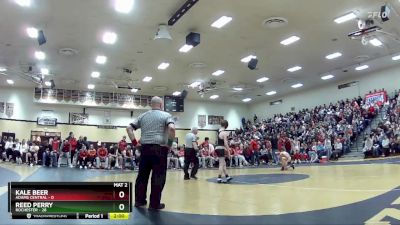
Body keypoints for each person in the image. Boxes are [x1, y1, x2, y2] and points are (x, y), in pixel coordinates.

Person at [126, 96, 175, 210]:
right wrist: (169, 144)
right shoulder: (166, 115)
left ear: (151, 105)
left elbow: (129, 128)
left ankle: (139, 201)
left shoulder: (143, 116)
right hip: (159, 148)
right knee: (158, 177)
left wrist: (135, 143)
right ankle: (154, 204)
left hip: (144, 148)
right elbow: (172, 129)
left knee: (142, 176)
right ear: (161, 104)